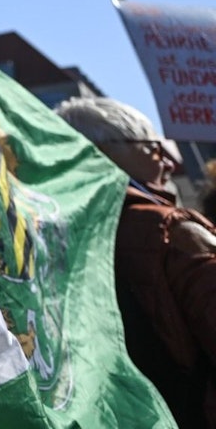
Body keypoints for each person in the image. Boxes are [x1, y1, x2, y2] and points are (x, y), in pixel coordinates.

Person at [56, 96, 216, 427]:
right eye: (154, 148)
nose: (169, 163)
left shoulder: (48, 237)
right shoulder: (170, 229)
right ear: (105, 151)